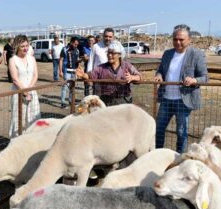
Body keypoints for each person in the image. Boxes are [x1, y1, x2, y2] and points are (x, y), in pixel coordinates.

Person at [154, 24, 208, 153]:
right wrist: (159, 75)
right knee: (159, 129)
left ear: (189, 40)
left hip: (183, 100)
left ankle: (179, 157)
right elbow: (161, 70)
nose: (177, 42)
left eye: (181, 39)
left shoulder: (196, 54)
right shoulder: (167, 54)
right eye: (175, 39)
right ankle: (157, 155)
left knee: (181, 132)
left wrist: (194, 80)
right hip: (166, 99)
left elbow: (205, 77)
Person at [76, 41, 141, 106]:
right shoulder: (101, 68)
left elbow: (139, 76)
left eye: (113, 53)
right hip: (107, 102)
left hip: (124, 101)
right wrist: (83, 75)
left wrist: (132, 77)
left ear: (119, 55)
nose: (109, 55)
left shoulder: (127, 66)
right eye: (108, 53)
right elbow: (90, 75)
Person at [8, 35, 41, 138]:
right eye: (22, 46)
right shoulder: (13, 60)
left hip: (32, 92)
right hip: (18, 93)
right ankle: (16, 140)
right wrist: (24, 91)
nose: (25, 48)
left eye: (27, 45)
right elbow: (15, 79)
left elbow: (35, 75)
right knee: (18, 117)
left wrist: (30, 90)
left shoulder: (32, 59)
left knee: (33, 115)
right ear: (17, 46)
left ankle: (33, 139)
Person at [59, 36, 81, 109]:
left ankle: (71, 101)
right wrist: (60, 71)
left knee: (72, 87)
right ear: (71, 42)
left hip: (74, 72)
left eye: (77, 44)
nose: (76, 45)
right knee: (65, 87)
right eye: (75, 44)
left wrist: (78, 68)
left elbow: (77, 61)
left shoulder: (77, 50)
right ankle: (63, 103)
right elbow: (61, 60)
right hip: (66, 71)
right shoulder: (65, 49)